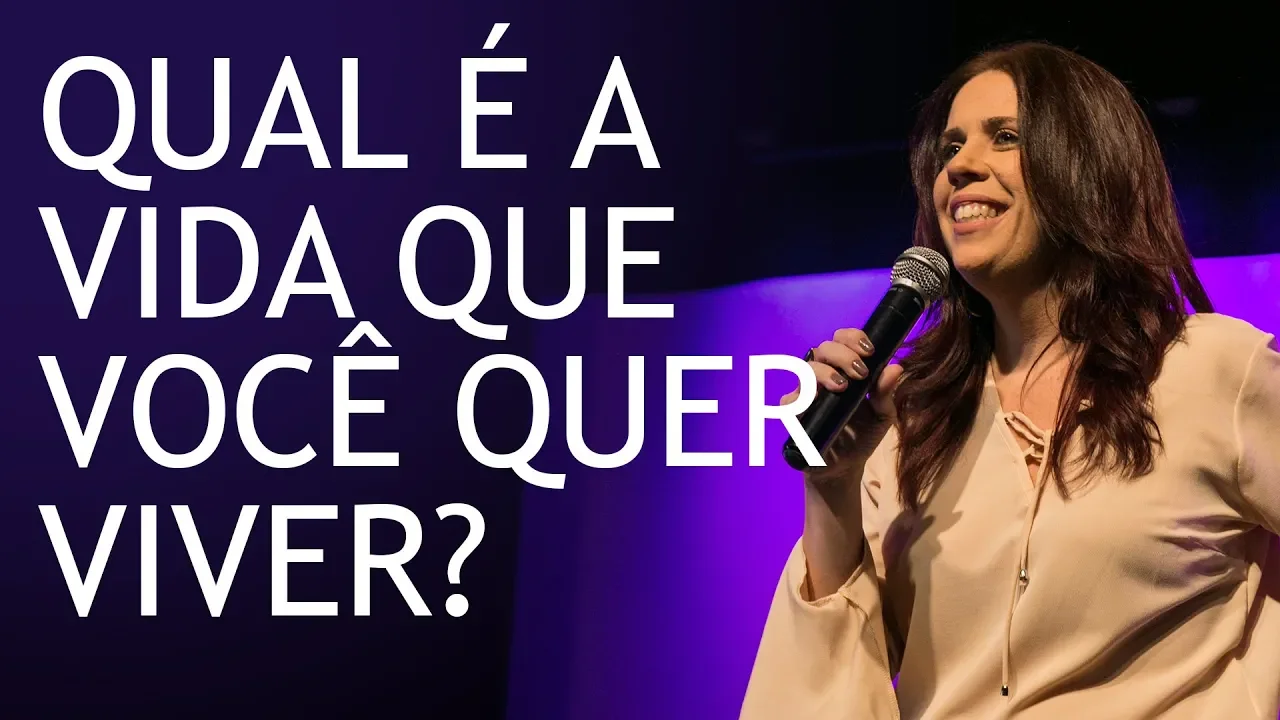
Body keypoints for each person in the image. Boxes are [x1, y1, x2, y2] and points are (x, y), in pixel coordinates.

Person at [739, 41, 1280, 719]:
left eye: (1005, 137)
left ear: (1086, 166)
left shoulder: (1212, 371)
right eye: (950, 148)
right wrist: (832, 487)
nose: (959, 166)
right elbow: (826, 693)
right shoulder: (911, 424)